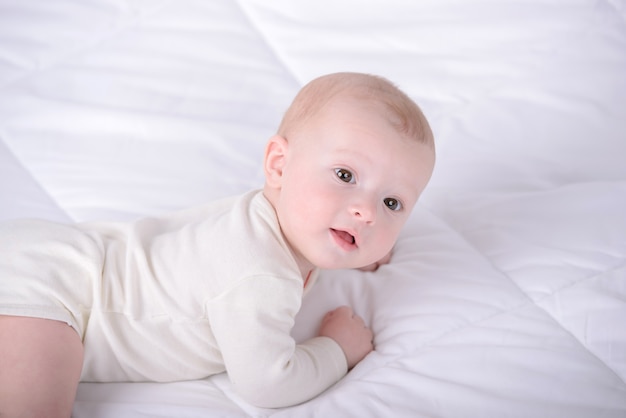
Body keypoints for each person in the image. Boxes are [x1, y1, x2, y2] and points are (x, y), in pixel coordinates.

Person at [0, 72, 435, 417]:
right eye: (345, 176)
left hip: (49, 255)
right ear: (279, 165)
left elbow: (339, 217)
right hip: (53, 296)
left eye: (391, 202)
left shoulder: (260, 215)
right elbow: (266, 384)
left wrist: (351, 244)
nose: (366, 212)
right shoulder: (260, 275)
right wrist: (338, 350)